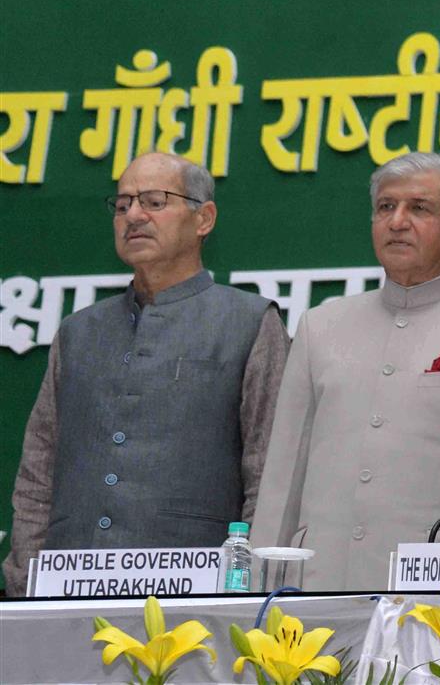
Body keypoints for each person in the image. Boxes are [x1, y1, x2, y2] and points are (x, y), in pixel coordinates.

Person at [252, 153, 440, 591]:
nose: (397, 221)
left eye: (419, 208)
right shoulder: (320, 326)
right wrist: (261, 594)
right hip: (317, 589)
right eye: (385, 207)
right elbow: (281, 481)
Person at [3, 152, 288, 594]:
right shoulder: (79, 331)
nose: (133, 215)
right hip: (66, 588)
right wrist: (24, 583)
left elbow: (269, 473)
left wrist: (243, 588)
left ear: (204, 219)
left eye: (154, 201)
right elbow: (38, 472)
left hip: (194, 595)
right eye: (122, 204)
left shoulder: (249, 322)